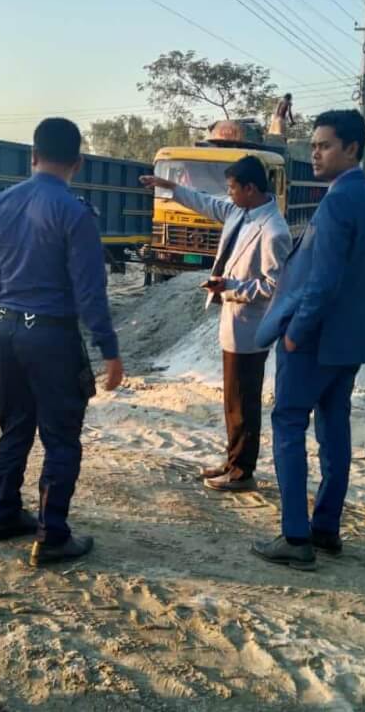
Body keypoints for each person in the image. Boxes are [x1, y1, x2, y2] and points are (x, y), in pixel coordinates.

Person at [0, 118, 124, 567]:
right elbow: (89, 292)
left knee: (15, 425)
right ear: (77, 162)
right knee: (61, 437)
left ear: (32, 155)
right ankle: (52, 534)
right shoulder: (75, 213)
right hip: (52, 336)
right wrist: (110, 351)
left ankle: (4, 514)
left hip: (10, 330)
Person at [251, 110, 365, 571]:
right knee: (334, 430)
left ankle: (295, 535)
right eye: (312, 144)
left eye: (325, 145)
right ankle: (326, 527)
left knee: (289, 426)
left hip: (312, 340)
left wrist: (296, 333)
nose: (314, 152)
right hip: (349, 338)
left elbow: (323, 280)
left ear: (352, 148)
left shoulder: (336, 203)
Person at [140, 156, 292, 492]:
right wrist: (168, 187)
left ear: (251, 189)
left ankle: (241, 472)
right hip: (234, 323)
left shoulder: (274, 231)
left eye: (233, 189)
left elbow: (273, 287)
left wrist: (231, 288)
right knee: (233, 402)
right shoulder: (241, 211)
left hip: (250, 329)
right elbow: (205, 202)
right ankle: (232, 461)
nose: (229, 195)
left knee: (243, 402)